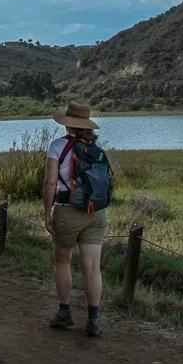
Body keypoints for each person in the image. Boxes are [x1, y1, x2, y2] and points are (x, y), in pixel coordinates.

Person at [43, 101, 110, 337]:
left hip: (68, 211)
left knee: (62, 260)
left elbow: (51, 182)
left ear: (68, 123)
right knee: (92, 267)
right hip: (97, 212)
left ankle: (64, 312)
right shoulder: (98, 148)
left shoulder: (57, 147)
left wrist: (47, 210)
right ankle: (93, 319)